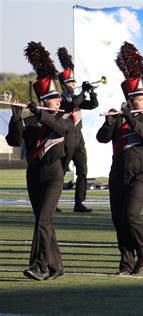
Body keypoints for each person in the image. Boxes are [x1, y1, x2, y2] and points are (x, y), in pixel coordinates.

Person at [96, 42, 143, 275]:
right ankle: (125, 263)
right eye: (141, 99)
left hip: (141, 173)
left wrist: (130, 118)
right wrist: (110, 122)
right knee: (118, 220)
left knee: (131, 215)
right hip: (118, 172)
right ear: (131, 99)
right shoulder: (120, 117)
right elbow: (101, 139)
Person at [7, 42, 69, 280]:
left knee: (43, 220)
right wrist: (15, 119)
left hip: (54, 174)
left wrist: (43, 112)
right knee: (44, 222)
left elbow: (60, 129)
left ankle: (37, 265)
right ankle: (56, 267)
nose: (59, 102)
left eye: (58, 98)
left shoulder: (61, 118)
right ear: (45, 99)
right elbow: (15, 141)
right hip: (34, 174)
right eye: (54, 99)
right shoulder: (32, 122)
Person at [56, 47, 99, 213]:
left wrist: (92, 93)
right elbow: (72, 105)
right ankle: (53, 202)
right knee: (59, 173)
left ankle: (79, 203)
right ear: (64, 85)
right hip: (65, 137)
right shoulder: (60, 99)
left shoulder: (76, 97)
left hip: (78, 137)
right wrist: (82, 91)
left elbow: (92, 105)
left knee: (83, 171)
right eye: (70, 83)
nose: (73, 85)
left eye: (74, 82)